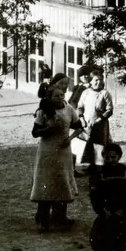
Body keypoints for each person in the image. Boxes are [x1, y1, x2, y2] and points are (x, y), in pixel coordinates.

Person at [30, 75, 82, 232]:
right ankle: (43, 219)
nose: (60, 98)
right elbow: (35, 132)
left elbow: (79, 127)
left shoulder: (69, 109)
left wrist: (70, 138)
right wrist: (49, 129)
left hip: (63, 151)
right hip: (47, 151)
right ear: (50, 97)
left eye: (62, 95)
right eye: (56, 96)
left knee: (62, 180)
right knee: (46, 182)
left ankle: (60, 217)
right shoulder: (43, 112)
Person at [88, 143, 126, 251]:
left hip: (122, 215)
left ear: (119, 156)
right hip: (106, 215)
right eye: (107, 157)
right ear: (103, 157)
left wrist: (125, 210)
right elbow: (94, 195)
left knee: (120, 246)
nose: (110, 160)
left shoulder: (125, 172)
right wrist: (102, 210)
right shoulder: (99, 174)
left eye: (113, 157)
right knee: (107, 247)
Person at [76, 70, 114, 170]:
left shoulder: (105, 93)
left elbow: (109, 110)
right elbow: (80, 107)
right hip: (87, 124)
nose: (99, 82)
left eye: (100, 80)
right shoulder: (86, 93)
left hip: (100, 125)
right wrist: (82, 119)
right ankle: (91, 166)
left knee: (99, 146)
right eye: (96, 80)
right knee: (87, 145)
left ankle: (99, 168)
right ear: (91, 82)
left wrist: (98, 120)